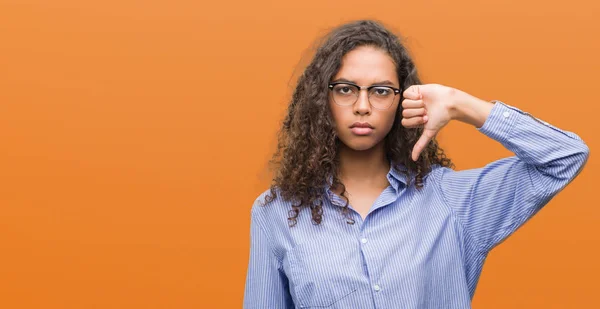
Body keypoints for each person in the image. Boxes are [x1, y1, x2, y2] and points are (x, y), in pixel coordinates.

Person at [243, 19, 589, 309]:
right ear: (322, 98)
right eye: (346, 89)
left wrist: (460, 104)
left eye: (380, 91)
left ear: (403, 101)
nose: (363, 106)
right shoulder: (276, 212)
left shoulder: (450, 200)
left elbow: (565, 156)